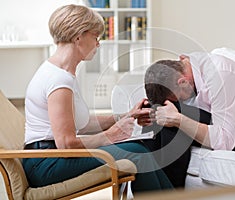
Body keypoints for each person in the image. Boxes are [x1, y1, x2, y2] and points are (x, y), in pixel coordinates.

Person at [22, 4, 173, 193]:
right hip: (46, 163)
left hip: (51, 157)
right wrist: (111, 136)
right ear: (79, 37)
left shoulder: (63, 74)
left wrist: (125, 116)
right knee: (137, 154)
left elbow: (82, 124)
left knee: (140, 149)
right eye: (95, 37)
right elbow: (66, 143)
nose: (98, 43)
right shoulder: (58, 80)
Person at [141, 52, 235, 188]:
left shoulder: (221, 75)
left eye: (180, 97)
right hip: (220, 125)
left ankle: (170, 194)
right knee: (160, 110)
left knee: (173, 117)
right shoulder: (186, 68)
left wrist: (178, 119)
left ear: (182, 82)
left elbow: (225, 141)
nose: (183, 99)